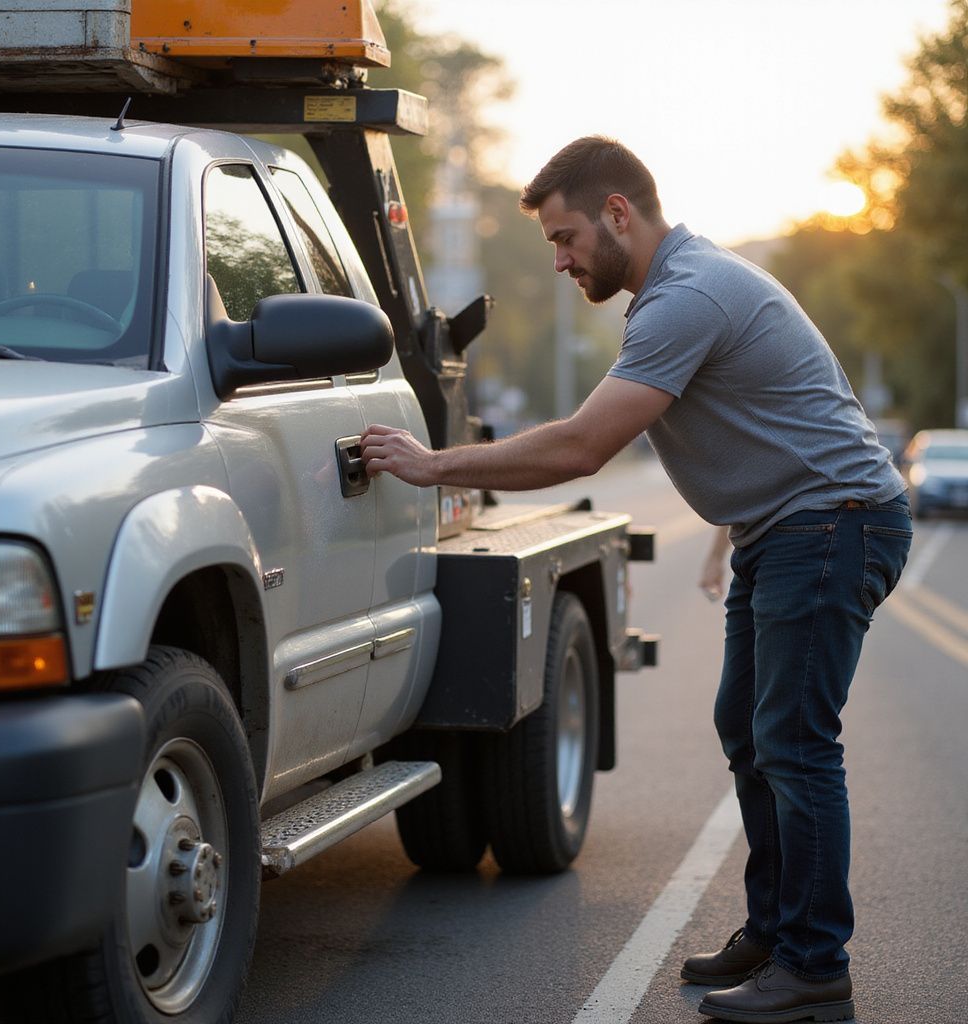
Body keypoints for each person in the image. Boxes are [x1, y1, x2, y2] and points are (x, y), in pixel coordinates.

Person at [360, 135, 912, 1024]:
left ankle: (814, 966)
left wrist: (433, 466)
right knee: (750, 725)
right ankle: (776, 934)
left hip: (832, 524)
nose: (560, 258)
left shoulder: (686, 298)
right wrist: (737, 524)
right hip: (792, 527)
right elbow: (775, 411)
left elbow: (582, 446)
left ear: (620, 213)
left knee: (796, 741)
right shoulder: (683, 286)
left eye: (567, 236)